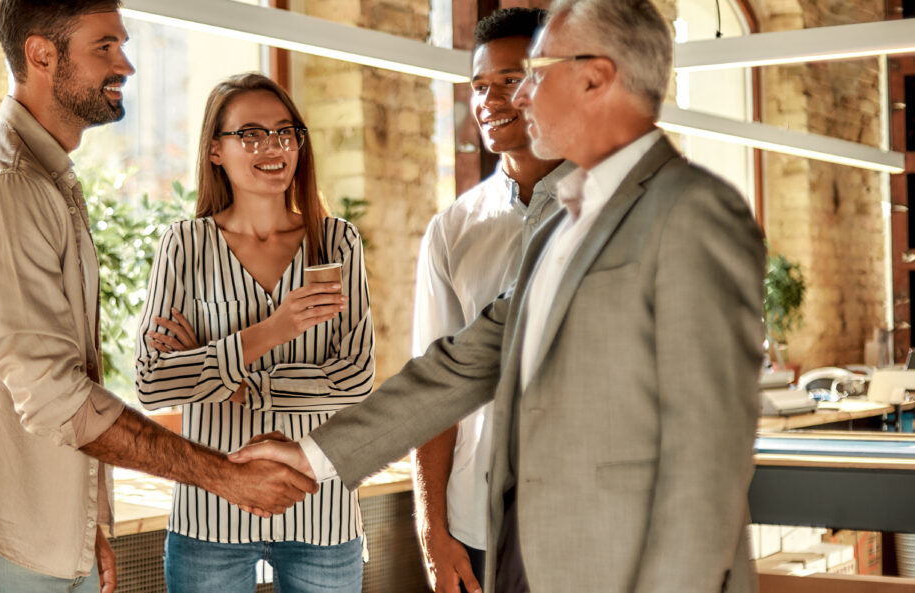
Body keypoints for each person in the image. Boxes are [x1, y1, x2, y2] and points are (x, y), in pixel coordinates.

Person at [232, 1, 766, 591]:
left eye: (533, 76)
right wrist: (317, 456)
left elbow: (710, 439)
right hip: (519, 537)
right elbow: (463, 364)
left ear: (595, 81)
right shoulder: (558, 224)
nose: (512, 99)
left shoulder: (690, 212)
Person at [0, 4, 315, 593]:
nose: (125, 63)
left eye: (121, 45)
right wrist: (224, 478)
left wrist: (81, 523)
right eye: (104, 47)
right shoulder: (7, 185)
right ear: (40, 54)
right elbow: (53, 392)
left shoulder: (48, 176)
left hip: (42, 534)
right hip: (1, 539)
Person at [134, 72, 375, 593]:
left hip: (322, 507)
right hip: (210, 516)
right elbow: (152, 383)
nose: (273, 147)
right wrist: (275, 329)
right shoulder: (185, 244)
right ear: (216, 150)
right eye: (251, 134)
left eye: (285, 132)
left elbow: (355, 380)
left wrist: (231, 377)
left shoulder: (336, 242)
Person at [411, 9, 572, 593]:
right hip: (478, 528)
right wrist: (433, 530)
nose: (488, 100)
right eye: (480, 86)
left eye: (509, 80)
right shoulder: (453, 230)